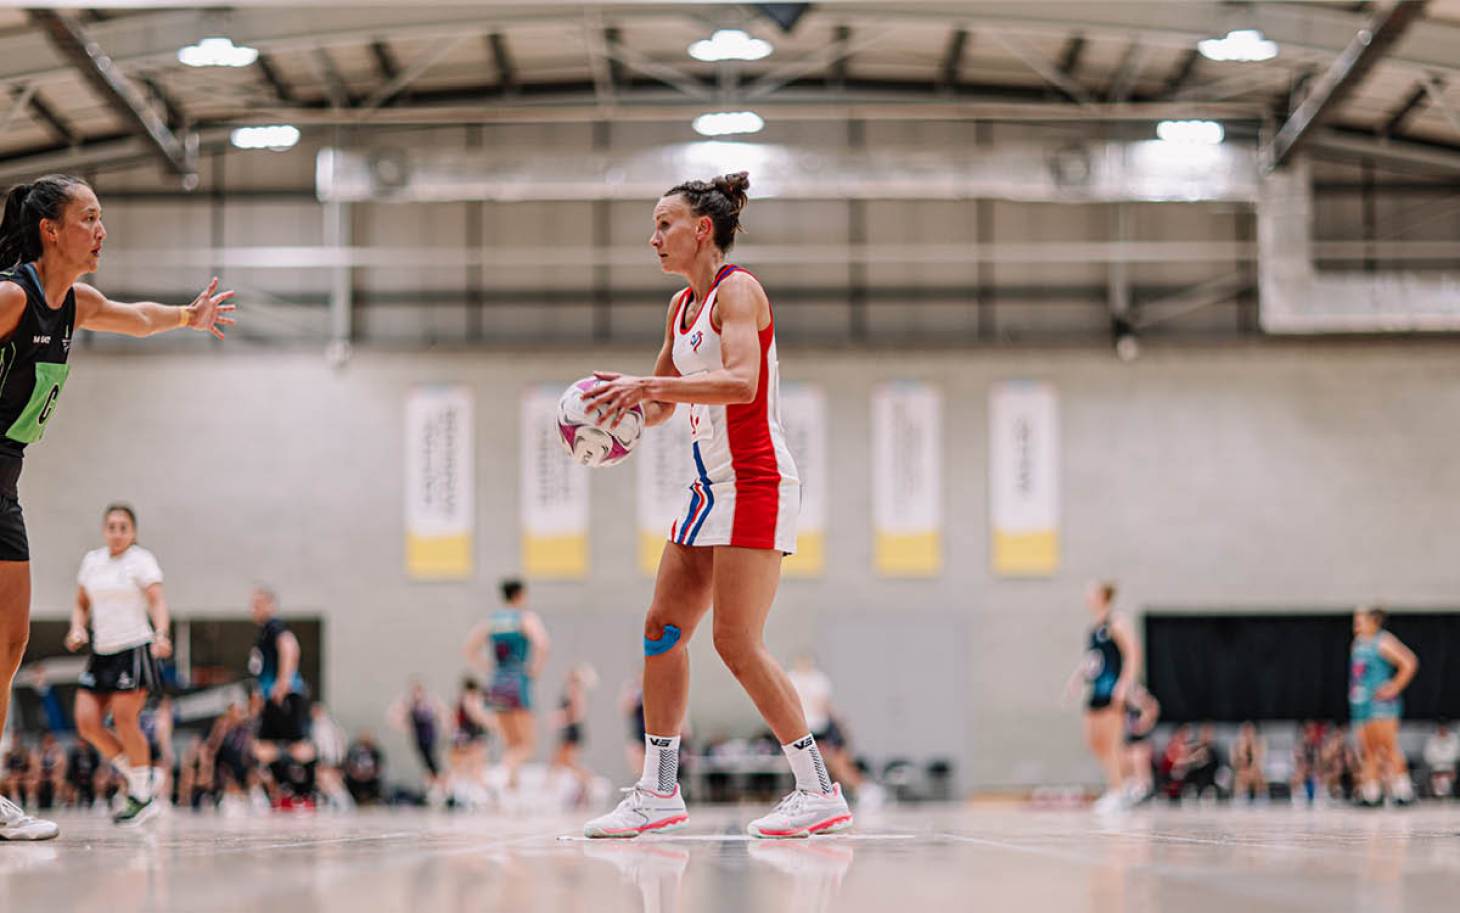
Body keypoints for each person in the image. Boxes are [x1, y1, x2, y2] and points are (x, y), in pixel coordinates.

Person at [581, 173, 851, 840]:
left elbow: (739, 382)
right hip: (708, 486)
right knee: (661, 627)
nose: (654, 237)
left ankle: (820, 790)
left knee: (735, 640)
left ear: (703, 229)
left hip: (757, 480)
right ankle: (658, 790)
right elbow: (666, 398)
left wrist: (651, 382)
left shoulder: (739, 291)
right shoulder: (680, 309)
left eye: (664, 223)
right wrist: (614, 410)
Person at [0, 174, 234, 840]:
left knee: (10, 642)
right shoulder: (12, 296)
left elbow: (134, 319)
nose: (102, 231)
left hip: (6, 480)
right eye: (90, 218)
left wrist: (188, 317)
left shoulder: (72, 303)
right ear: (50, 229)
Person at [66, 503, 171, 826]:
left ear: (133, 531)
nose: (117, 533)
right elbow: (81, 603)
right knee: (86, 722)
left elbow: (157, 600)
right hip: (102, 651)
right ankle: (141, 777)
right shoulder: (93, 562)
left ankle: (141, 795)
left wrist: (162, 633)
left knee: (125, 719)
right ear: (104, 529)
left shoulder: (141, 560)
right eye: (111, 526)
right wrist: (77, 627)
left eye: (123, 527)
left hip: (134, 648)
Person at [464, 579, 549, 792]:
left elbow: (469, 648)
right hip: (517, 680)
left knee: (512, 743)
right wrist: (533, 670)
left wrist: (489, 667)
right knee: (527, 746)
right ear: (521, 595)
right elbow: (543, 644)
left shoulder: (492, 621)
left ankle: (512, 788)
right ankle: (508, 768)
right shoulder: (525, 618)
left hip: (497, 682)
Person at [1067, 581, 1138, 814]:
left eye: (1091, 592)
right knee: (1094, 741)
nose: (1087, 596)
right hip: (1096, 691)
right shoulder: (1093, 628)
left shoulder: (1116, 622)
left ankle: (1118, 791)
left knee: (1111, 743)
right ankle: (1122, 784)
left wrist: (1124, 685)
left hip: (1112, 692)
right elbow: (1093, 661)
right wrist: (1077, 679)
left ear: (1102, 596)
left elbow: (1133, 654)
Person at [248, 587, 317, 806]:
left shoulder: (275, 626)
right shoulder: (264, 632)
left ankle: (307, 795)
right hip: (270, 697)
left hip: (286, 695)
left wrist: (283, 683)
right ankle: (287, 793)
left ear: (271, 605)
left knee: (299, 746)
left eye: (259, 604)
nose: (254, 609)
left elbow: (290, 647)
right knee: (263, 748)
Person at [786, 654, 883, 808]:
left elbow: (824, 706)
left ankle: (863, 789)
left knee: (838, 762)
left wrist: (839, 726)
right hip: (801, 728)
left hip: (820, 728)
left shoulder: (818, 680)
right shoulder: (791, 678)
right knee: (817, 764)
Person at [1349, 606, 1419, 807]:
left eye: (1360, 621)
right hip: (1362, 702)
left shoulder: (1383, 641)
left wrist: (1394, 686)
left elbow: (1409, 662)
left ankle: (1402, 790)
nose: (1356, 625)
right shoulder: (1358, 644)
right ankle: (1371, 792)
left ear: (1373, 621)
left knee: (1388, 746)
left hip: (1382, 704)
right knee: (1368, 749)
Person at [388, 679, 447, 802]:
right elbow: (394, 716)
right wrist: (404, 724)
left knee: (434, 766)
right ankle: (434, 790)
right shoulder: (410, 705)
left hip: (430, 739)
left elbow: (443, 713)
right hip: (419, 741)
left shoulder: (429, 703)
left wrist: (444, 726)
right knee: (427, 766)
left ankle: (442, 789)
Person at [550, 663, 599, 804]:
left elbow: (578, 714)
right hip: (569, 731)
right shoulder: (571, 690)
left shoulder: (576, 691)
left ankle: (589, 782)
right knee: (564, 762)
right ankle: (585, 786)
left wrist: (562, 717)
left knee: (567, 761)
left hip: (572, 731)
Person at [1121, 682, 1160, 804]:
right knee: (1126, 758)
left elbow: (1147, 722)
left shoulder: (1148, 705)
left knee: (1140, 758)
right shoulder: (1127, 707)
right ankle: (1132, 786)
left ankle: (1144, 787)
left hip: (1142, 740)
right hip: (1130, 741)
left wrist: (1143, 721)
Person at [343, 731, 385, 806]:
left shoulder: (374, 752)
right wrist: (356, 774)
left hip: (370, 779)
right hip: (356, 779)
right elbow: (348, 765)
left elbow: (379, 765)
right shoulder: (354, 751)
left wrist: (370, 774)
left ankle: (372, 801)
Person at [1231, 722, 1266, 803]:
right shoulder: (1237, 745)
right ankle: (1241, 796)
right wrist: (1242, 750)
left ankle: (1259, 796)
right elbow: (1234, 763)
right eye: (1245, 732)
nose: (1247, 735)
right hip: (1241, 771)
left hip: (1255, 771)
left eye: (1249, 732)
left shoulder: (1259, 744)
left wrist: (1253, 747)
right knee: (1240, 775)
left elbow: (1258, 762)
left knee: (1257, 774)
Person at [1423, 722, 1458, 799]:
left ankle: (1446, 795)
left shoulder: (1454, 739)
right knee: (1439, 779)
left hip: (1450, 768)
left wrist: (1450, 768)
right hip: (1436, 768)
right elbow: (1427, 756)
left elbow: (1456, 755)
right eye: (1441, 728)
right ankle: (1439, 796)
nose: (1442, 730)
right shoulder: (1432, 740)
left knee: (1446, 778)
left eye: (1444, 728)